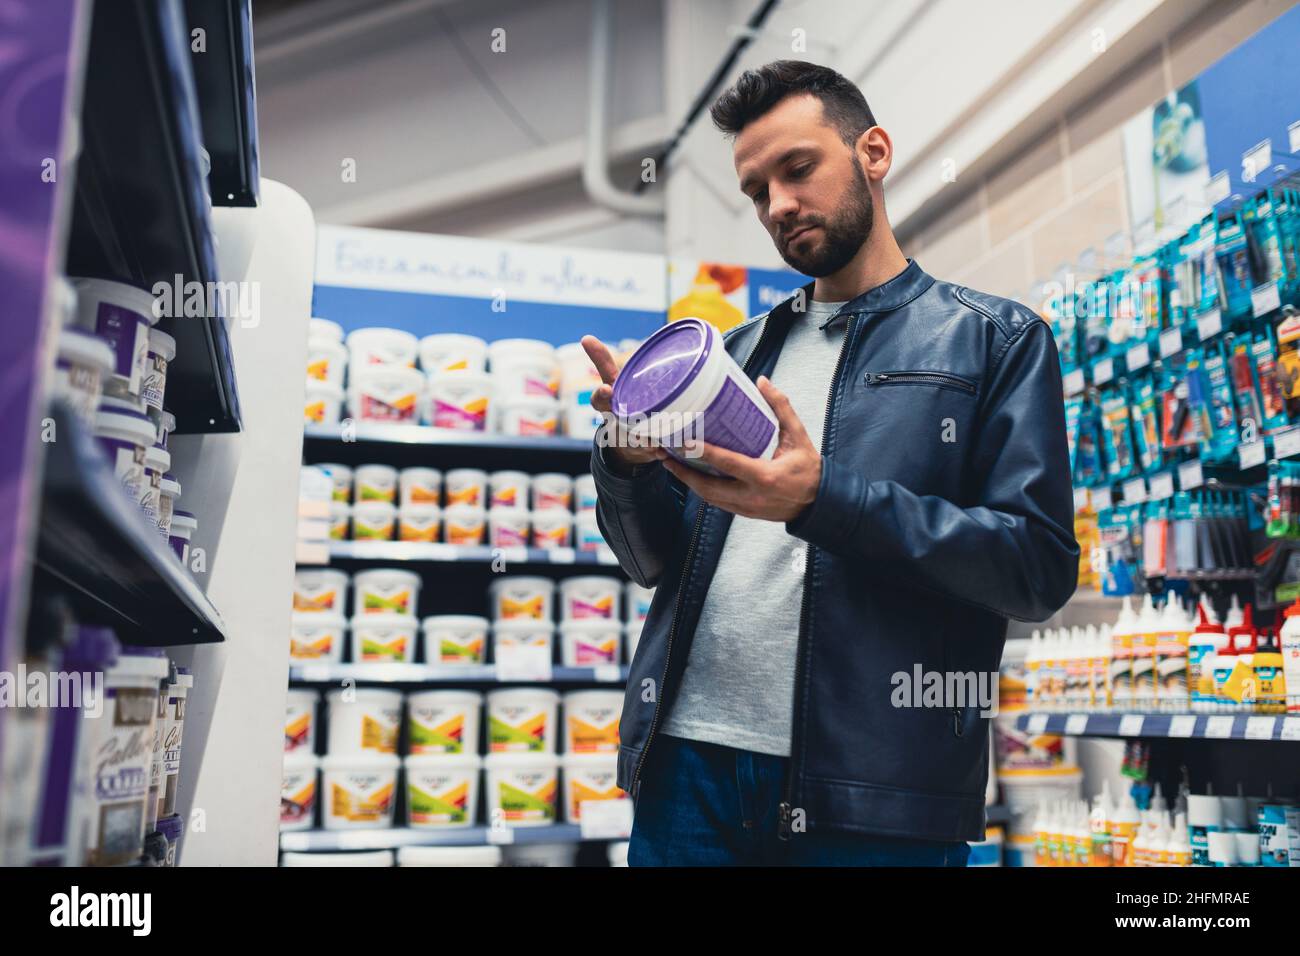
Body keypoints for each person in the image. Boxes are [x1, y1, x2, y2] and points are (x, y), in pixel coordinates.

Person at [580, 60, 1078, 866]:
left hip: (873, 796)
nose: (777, 205)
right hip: (685, 777)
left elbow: (1035, 567)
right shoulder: (733, 355)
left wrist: (824, 500)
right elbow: (652, 562)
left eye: (798, 168)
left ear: (873, 153)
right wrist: (627, 461)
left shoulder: (994, 340)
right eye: (755, 191)